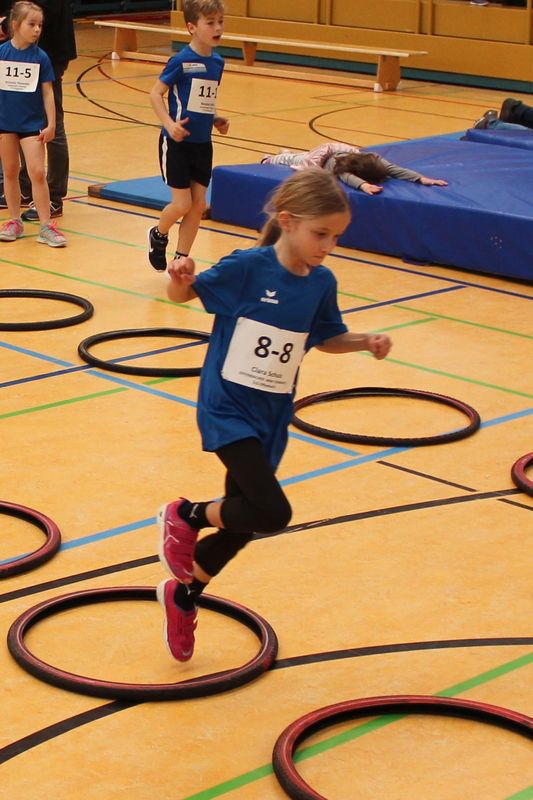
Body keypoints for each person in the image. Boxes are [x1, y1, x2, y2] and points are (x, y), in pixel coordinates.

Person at [155, 168, 392, 661]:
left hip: (272, 415)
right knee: (273, 512)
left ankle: (184, 596)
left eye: (336, 237)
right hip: (228, 407)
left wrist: (364, 341)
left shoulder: (321, 282)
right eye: (321, 234)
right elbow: (183, 296)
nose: (329, 246)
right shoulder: (248, 267)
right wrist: (179, 279)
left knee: (244, 520)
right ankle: (186, 514)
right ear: (287, 222)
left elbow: (326, 337)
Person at [147, 0, 229, 272]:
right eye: (210, 23)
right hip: (177, 144)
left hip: (203, 144)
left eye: (220, 22)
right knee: (182, 204)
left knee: (198, 206)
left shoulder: (217, 62)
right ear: (192, 27)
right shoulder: (181, 61)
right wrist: (169, 124)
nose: (218, 28)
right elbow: (155, 94)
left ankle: (180, 260)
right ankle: (158, 234)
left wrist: (215, 118)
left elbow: (203, 99)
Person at [0, 0, 76, 219]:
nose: (36, 29)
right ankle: (24, 191)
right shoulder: (4, 52)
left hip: (51, 51)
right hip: (8, 120)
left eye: (38, 25)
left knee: (53, 127)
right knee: (11, 167)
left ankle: (53, 197)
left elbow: (42, 10)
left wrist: (7, 22)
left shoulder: (41, 55)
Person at [261, 142, 448, 195]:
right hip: (321, 157)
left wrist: (421, 178)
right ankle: (271, 158)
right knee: (296, 161)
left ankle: (287, 152)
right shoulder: (337, 165)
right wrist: (364, 186)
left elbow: (394, 169)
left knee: (299, 155)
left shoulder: (371, 158)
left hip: (336, 150)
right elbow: (347, 177)